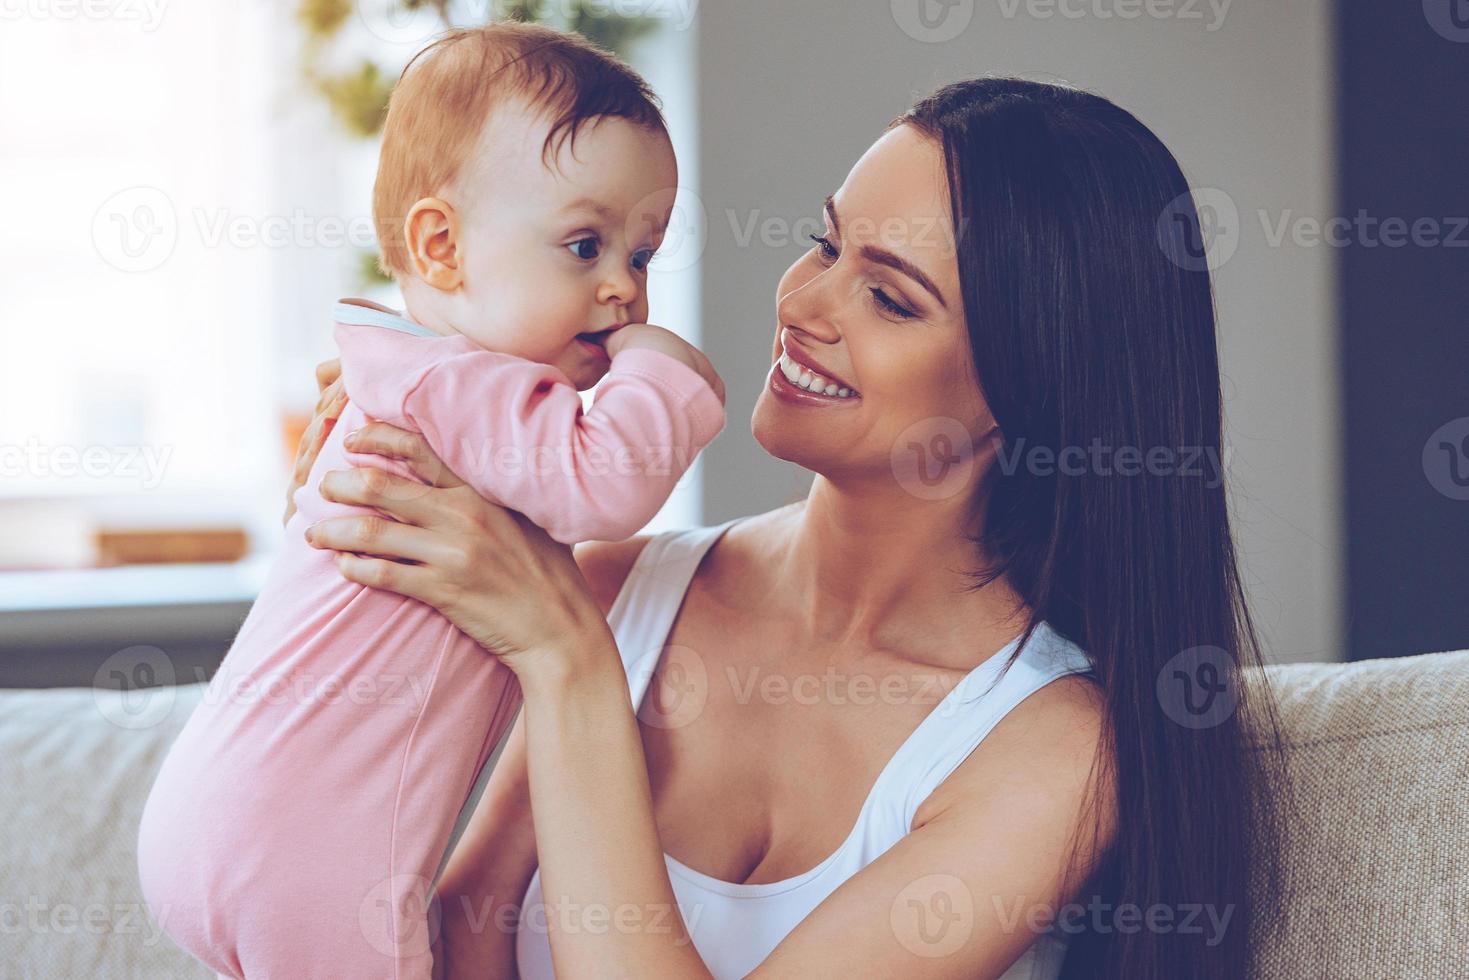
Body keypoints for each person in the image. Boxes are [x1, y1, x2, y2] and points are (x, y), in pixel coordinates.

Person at [288, 77, 1287, 979]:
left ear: (1028, 387)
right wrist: (407, 396)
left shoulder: (1050, 754)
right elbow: (463, 936)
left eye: (888, 296)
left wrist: (571, 671)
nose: (803, 302)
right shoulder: (618, 586)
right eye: (823, 243)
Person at [136, 24, 724, 980]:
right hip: (312, 863)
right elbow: (607, 481)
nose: (623, 288)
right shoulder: (459, 389)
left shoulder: (402, 382)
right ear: (441, 247)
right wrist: (668, 372)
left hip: (218, 827)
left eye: (644, 253)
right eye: (584, 245)